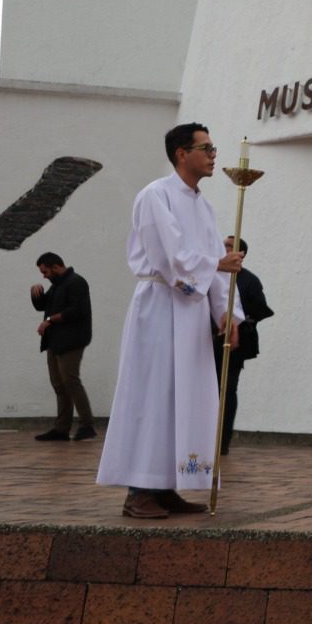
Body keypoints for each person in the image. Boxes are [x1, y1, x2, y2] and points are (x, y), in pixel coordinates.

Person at [97, 123, 244, 519]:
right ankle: (139, 490)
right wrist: (216, 264)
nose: (214, 154)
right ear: (182, 153)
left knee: (186, 400)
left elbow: (216, 264)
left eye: (213, 148)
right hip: (161, 308)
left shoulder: (204, 205)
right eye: (206, 147)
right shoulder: (155, 196)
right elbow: (169, 257)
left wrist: (227, 310)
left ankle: (169, 484)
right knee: (155, 396)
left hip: (192, 316)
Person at [210, 236, 274, 456]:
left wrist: (240, 319)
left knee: (226, 389)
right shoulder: (213, 274)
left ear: (241, 254)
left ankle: (223, 440)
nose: (224, 250)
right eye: (223, 246)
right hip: (210, 339)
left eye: (229, 247)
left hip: (235, 343)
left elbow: (261, 309)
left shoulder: (249, 280)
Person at [30, 251, 96, 442]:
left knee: (71, 382)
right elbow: (43, 306)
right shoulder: (57, 285)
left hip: (72, 341)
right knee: (59, 385)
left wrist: (49, 320)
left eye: (45, 272)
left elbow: (77, 311)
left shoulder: (76, 282)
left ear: (56, 267)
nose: (44, 275)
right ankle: (61, 429)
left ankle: (87, 426)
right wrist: (36, 293)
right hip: (55, 342)